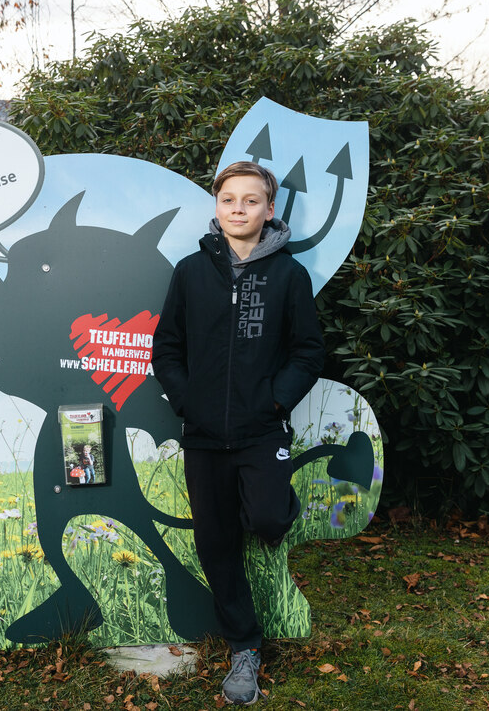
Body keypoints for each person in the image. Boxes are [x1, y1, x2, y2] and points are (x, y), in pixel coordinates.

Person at [152, 160, 326, 706]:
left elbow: (308, 350)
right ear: (217, 206)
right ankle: (244, 647)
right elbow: (167, 347)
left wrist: (275, 399)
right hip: (203, 434)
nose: (239, 209)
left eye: (251, 201)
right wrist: (186, 400)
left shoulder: (289, 276)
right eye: (229, 199)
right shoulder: (190, 271)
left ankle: (270, 505)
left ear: (269, 211)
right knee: (216, 542)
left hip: (259, 428)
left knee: (271, 516)